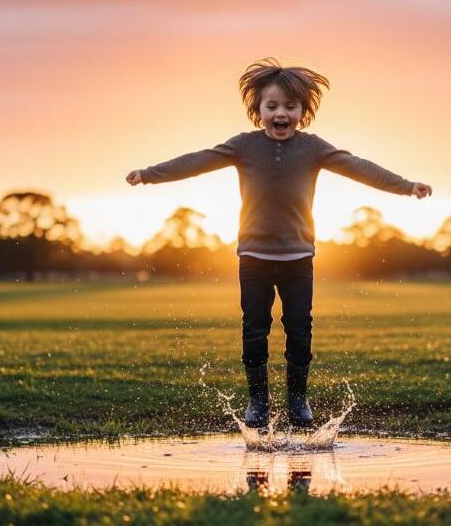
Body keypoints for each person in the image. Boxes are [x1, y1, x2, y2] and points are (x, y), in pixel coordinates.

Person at [126, 57, 432, 428]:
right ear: (258, 110)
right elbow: (198, 161)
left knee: (299, 329)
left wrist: (405, 186)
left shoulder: (314, 148)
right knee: (254, 329)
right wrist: (149, 174)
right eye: (272, 106)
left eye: (290, 106)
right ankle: (257, 401)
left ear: (303, 110)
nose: (281, 113)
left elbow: (358, 166)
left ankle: (298, 401)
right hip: (253, 256)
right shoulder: (243, 146)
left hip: (299, 258)